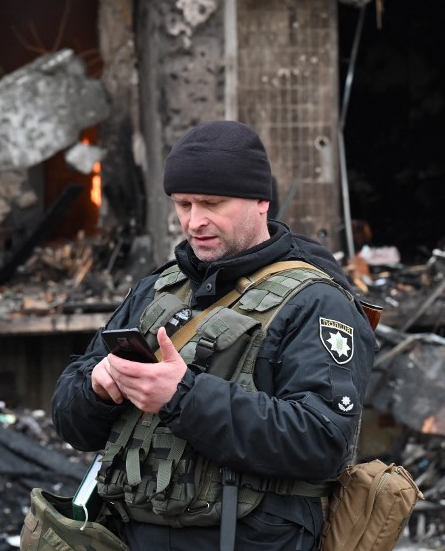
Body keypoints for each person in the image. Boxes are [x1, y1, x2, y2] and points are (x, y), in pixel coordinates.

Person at [51, 120, 377, 551]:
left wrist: (182, 396)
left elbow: (321, 441)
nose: (194, 221)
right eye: (183, 204)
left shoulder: (316, 303)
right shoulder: (158, 290)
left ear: (261, 201)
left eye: (211, 203)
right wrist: (98, 388)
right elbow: (71, 422)